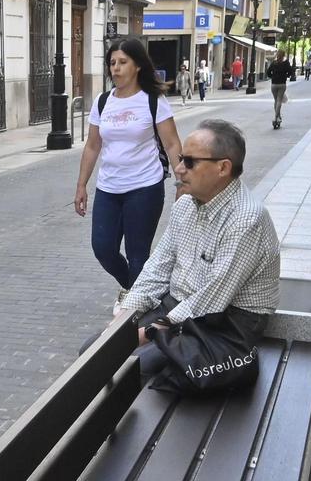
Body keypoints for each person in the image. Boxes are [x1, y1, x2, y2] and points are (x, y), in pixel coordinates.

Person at [105, 119, 281, 381]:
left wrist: (148, 332)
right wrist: (125, 315)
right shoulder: (186, 205)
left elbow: (211, 300)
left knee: (126, 369)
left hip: (225, 324)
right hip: (178, 308)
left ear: (223, 168)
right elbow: (157, 268)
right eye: (179, 159)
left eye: (189, 162)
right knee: (95, 352)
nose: (178, 169)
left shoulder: (246, 219)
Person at [76, 37, 182, 312]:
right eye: (112, 63)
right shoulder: (102, 102)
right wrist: (81, 186)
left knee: (138, 255)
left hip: (144, 187)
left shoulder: (152, 101)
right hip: (108, 188)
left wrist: (183, 182)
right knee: (103, 248)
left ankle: (135, 313)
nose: (116, 68)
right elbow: (92, 146)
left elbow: (171, 143)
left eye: (123, 62)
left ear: (137, 66)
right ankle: (138, 291)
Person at [266, 51, 294, 129]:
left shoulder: (274, 63)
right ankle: (276, 116)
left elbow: (268, 72)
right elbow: (290, 72)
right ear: (283, 55)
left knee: (276, 100)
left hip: (274, 84)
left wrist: (273, 77)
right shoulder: (286, 63)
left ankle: (277, 116)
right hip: (282, 84)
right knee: (279, 100)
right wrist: (286, 76)